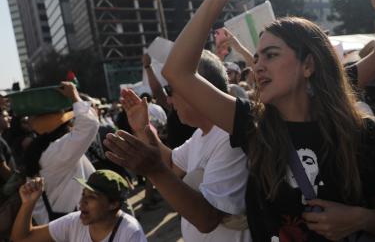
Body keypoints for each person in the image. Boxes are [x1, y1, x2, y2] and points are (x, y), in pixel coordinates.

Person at [157, 0, 375, 241]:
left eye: (271, 55)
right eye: (257, 57)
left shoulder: (361, 131)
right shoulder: (252, 124)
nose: (258, 65)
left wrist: (360, 218)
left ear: (308, 65)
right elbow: (177, 72)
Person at [105, 50, 250, 241]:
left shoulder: (228, 137)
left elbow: (207, 219)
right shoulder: (202, 133)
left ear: (197, 89)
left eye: (171, 90)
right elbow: (173, 164)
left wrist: (154, 171)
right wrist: (143, 128)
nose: (168, 99)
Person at [22, 82, 99, 224]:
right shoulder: (57, 149)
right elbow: (90, 125)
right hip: (75, 224)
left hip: (55, 224)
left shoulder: (39, 150)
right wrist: (74, 96)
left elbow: (38, 205)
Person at [10, 170, 146, 242]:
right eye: (83, 195)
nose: (82, 202)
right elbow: (21, 238)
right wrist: (28, 203)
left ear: (113, 204)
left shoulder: (130, 232)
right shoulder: (74, 222)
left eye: (92, 197)